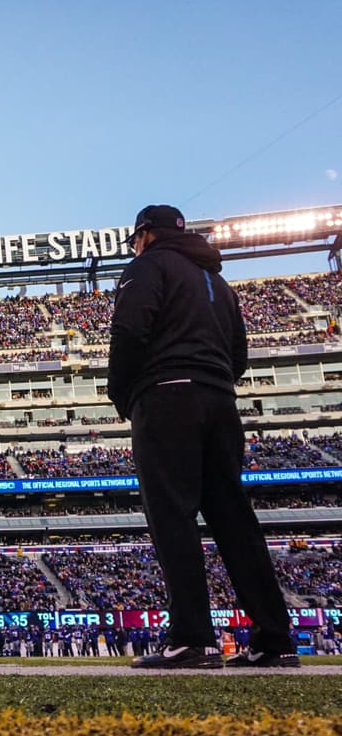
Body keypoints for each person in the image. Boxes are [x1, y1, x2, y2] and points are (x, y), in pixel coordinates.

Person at [109, 204, 298, 669]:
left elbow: (129, 330)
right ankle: (275, 639)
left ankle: (192, 637)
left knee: (172, 515)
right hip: (220, 399)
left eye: (136, 239)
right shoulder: (219, 282)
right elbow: (239, 355)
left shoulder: (148, 265)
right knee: (235, 520)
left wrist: (123, 394)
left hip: (167, 397)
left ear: (145, 235)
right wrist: (211, 380)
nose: (135, 246)